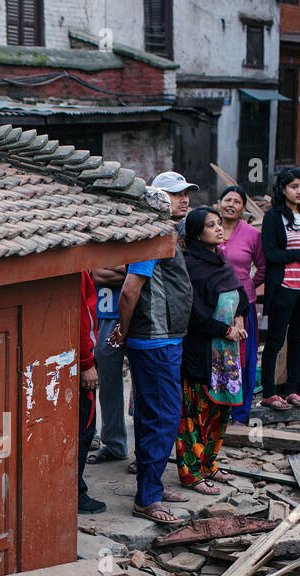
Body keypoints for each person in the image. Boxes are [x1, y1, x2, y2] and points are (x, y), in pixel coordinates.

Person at [107, 170, 197, 524]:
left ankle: (152, 486)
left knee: (152, 415)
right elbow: (130, 289)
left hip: (165, 338)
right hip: (155, 340)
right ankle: (147, 498)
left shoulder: (167, 232)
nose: (184, 199)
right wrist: (122, 332)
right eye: (176, 194)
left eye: (186, 193)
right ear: (157, 198)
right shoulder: (153, 234)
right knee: (163, 417)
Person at [176, 206, 249, 493]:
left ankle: (210, 463)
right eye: (211, 225)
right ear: (196, 233)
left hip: (227, 351)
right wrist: (225, 329)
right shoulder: (190, 266)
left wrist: (240, 315)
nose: (219, 228)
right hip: (203, 349)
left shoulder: (221, 261)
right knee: (196, 412)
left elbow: (239, 294)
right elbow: (191, 313)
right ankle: (190, 473)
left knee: (222, 410)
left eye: (219, 224)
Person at [260, 167, 300, 410]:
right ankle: (269, 392)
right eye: (294, 186)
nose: (299, 191)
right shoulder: (274, 217)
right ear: (283, 189)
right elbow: (271, 253)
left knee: (297, 340)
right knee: (275, 341)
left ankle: (292, 391)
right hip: (283, 287)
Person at [217, 185, 265, 424]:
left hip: (243, 308)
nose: (231, 205)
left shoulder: (252, 235)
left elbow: (263, 267)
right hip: (213, 307)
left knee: (243, 359)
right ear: (218, 203)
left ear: (244, 208)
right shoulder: (210, 228)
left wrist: (247, 287)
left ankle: (240, 413)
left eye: (237, 201)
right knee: (218, 358)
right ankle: (218, 410)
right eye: (227, 200)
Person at [87, 264, 129, 464]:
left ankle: (146, 454)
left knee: (144, 388)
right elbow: (96, 274)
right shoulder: (101, 239)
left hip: (137, 317)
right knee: (108, 383)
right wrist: (129, 273)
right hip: (104, 317)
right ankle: (114, 444)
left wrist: (128, 271)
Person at [77, 271, 105, 513]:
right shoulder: (81, 271)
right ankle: (76, 491)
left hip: (88, 351)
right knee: (84, 426)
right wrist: (87, 363)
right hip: (84, 358)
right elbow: (84, 317)